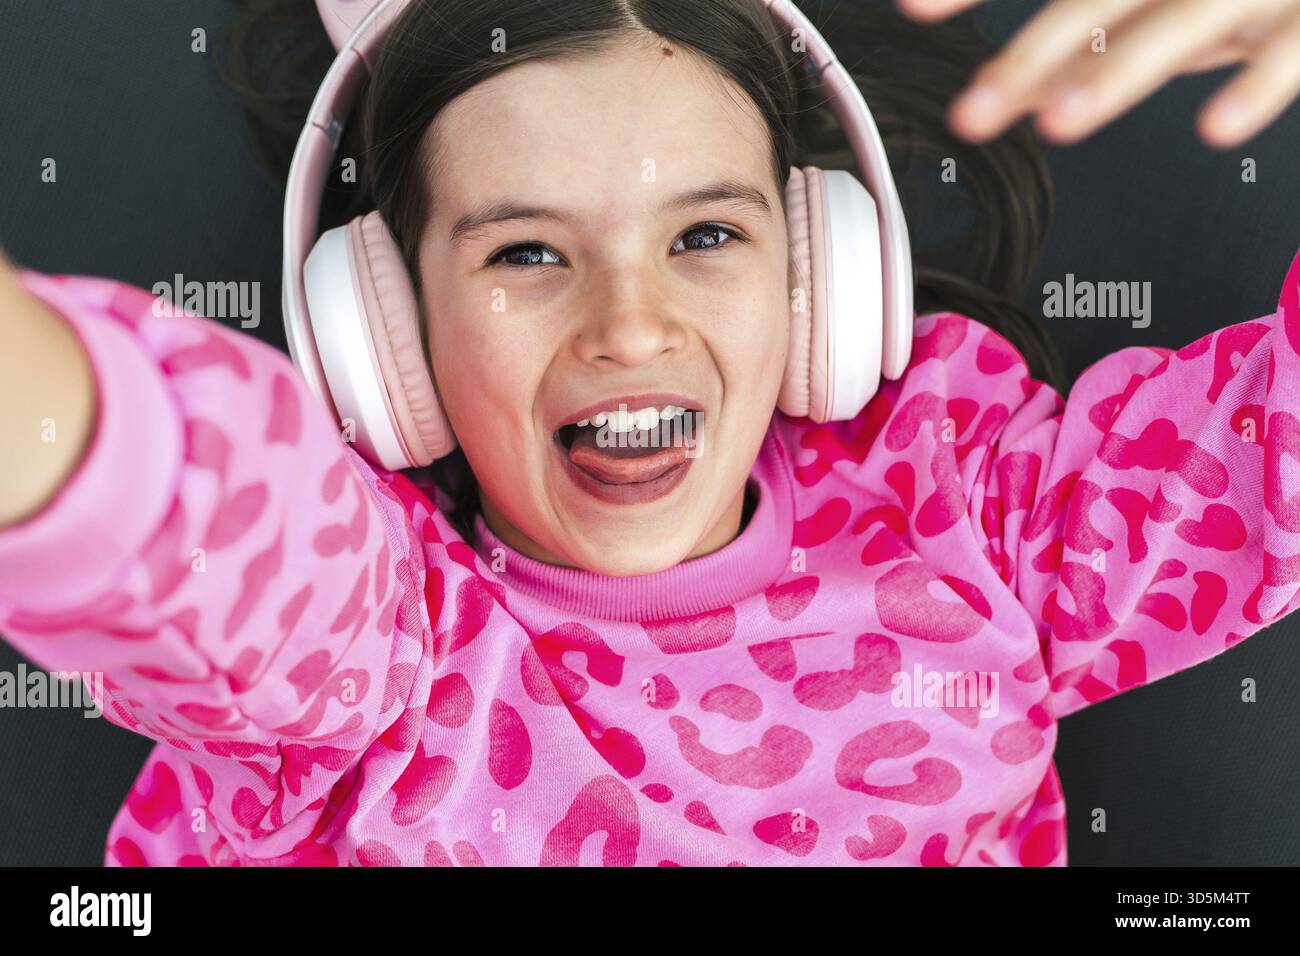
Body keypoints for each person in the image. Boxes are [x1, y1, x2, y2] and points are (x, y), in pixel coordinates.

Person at [0, 0, 1297, 866]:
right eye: (525, 251)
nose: (632, 324)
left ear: (818, 271)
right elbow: (173, 504)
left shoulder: (968, 502)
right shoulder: (374, 641)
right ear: (387, 334)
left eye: (705, 236)